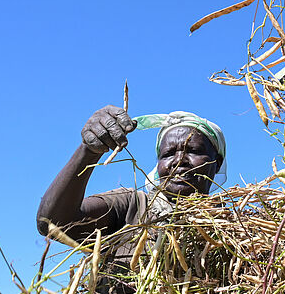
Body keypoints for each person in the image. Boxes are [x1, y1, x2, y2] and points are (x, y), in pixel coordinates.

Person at [37, 106, 226, 292]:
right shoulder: (133, 206)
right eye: (168, 154)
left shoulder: (229, 229)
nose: (179, 160)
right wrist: (88, 151)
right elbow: (53, 223)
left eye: (192, 150)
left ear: (216, 163)